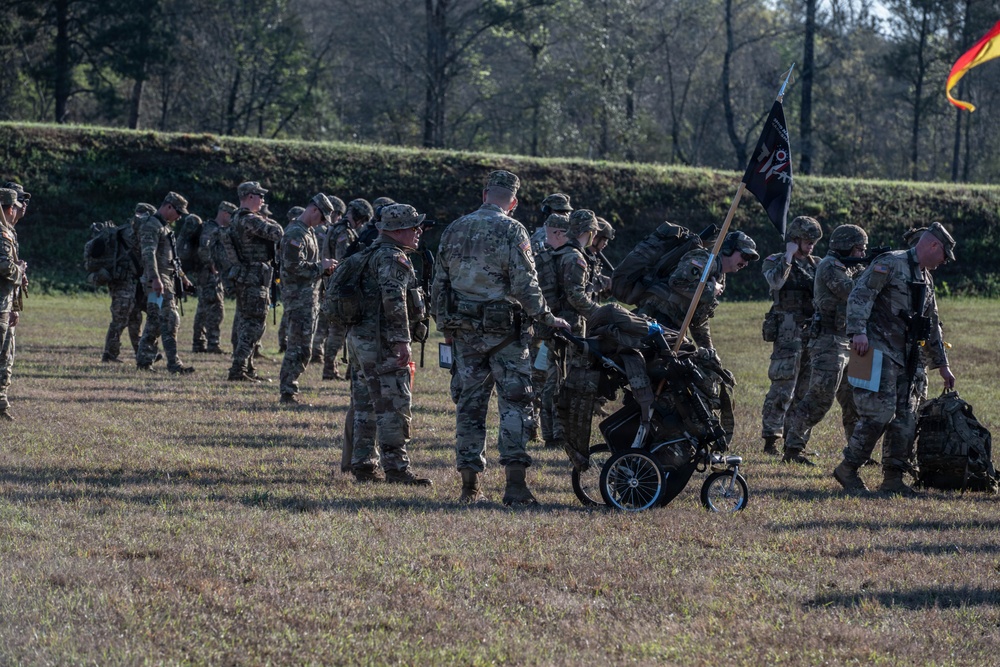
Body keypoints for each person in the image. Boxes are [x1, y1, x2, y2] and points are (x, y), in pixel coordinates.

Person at [432, 169, 570, 505]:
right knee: (515, 404)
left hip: (465, 333)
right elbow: (526, 284)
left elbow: (439, 283)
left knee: (469, 407)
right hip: (506, 333)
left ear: (484, 195)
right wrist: (547, 318)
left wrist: (445, 326)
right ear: (514, 202)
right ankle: (515, 486)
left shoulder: (455, 228)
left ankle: (469, 487)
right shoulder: (513, 229)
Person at [832, 222, 956, 495]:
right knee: (879, 413)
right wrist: (857, 332)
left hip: (908, 357)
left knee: (906, 418)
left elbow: (932, 323)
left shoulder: (926, 277)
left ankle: (892, 479)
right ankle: (848, 469)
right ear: (933, 245)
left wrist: (942, 364)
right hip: (876, 350)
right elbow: (860, 295)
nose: (944, 261)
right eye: (944, 255)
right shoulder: (890, 263)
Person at [346, 204, 433, 485]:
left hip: (359, 340)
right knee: (393, 403)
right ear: (398, 231)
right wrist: (401, 340)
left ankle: (363, 464)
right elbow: (394, 301)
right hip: (382, 342)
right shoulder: (393, 258)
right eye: (414, 226)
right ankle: (396, 468)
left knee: (364, 405)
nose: (419, 231)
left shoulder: (367, 254)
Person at [781, 224, 868, 465]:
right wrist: (871, 275)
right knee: (820, 398)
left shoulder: (849, 266)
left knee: (854, 400)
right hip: (829, 340)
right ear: (846, 247)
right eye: (859, 249)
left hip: (848, 340)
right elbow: (851, 291)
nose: (862, 254)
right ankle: (792, 448)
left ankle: (856, 451)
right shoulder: (830, 266)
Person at [540, 209, 601, 465]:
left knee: (552, 377)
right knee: (570, 381)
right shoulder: (575, 257)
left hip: (553, 324)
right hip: (571, 327)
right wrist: (600, 313)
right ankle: (563, 432)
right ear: (589, 232)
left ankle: (551, 431)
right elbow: (576, 296)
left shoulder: (556, 253)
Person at [760, 216, 823, 455]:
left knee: (805, 391)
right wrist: (788, 257)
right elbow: (775, 282)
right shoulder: (775, 261)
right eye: (807, 241)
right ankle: (771, 439)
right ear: (795, 240)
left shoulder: (817, 264)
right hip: (787, 332)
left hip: (812, 332)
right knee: (783, 386)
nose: (811, 246)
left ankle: (794, 441)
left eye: (813, 242)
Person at [637, 230, 759, 350]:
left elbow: (699, 319)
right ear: (729, 249)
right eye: (744, 256)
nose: (746, 263)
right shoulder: (703, 260)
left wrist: (708, 349)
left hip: (673, 328)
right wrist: (711, 289)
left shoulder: (719, 277)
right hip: (654, 320)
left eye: (749, 259)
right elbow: (677, 282)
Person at [278, 195, 337, 404]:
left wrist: (323, 269)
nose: (322, 223)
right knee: (297, 347)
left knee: (304, 348)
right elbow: (293, 266)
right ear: (313, 210)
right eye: (322, 218)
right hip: (298, 299)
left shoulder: (307, 232)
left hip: (308, 298)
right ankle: (287, 390)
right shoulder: (295, 233)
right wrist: (321, 266)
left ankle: (290, 388)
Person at [226, 181, 284, 382]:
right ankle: (238, 368)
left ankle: (247, 367)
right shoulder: (249, 219)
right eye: (260, 196)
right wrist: (270, 221)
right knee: (254, 324)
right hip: (254, 276)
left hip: (247, 275)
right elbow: (278, 233)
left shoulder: (236, 218)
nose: (263, 200)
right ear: (250, 196)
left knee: (246, 322)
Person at [136, 192, 195, 374]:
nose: (179, 216)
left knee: (154, 321)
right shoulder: (151, 226)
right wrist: (155, 279)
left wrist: (183, 277)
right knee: (170, 319)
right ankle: (174, 365)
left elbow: (173, 259)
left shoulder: (165, 228)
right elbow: (148, 253)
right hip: (158, 282)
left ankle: (144, 361)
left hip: (166, 279)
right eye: (178, 211)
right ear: (168, 206)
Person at [318, 197, 373, 379]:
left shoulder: (335, 228)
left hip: (332, 285)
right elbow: (345, 261)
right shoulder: (344, 233)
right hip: (342, 288)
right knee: (339, 332)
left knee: (337, 330)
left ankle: (332, 369)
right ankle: (330, 370)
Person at [102, 202, 151, 363]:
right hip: (122, 282)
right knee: (120, 318)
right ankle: (109, 353)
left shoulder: (127, 232)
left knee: (135, 318)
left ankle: (141, 352)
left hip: (133, 283)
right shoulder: (130, 233)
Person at [194, 201, 237, 354]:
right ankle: (212, 344)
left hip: (208, 275)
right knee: (216, 310)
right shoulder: (211, 229)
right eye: (232, 216)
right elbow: (203, 249)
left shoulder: (212, 228)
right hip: (209, 275)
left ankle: (198, 344)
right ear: (225, 213)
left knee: (203, 310)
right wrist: (212, 266)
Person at [0, 187, 27, 421]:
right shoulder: (2, 233)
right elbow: (5, 268)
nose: (21, 209)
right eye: (18, 205)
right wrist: (19, 270)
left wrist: (15, 307)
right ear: (9, 208)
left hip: (5, 304)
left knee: (5, 354)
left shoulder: (8, 232)